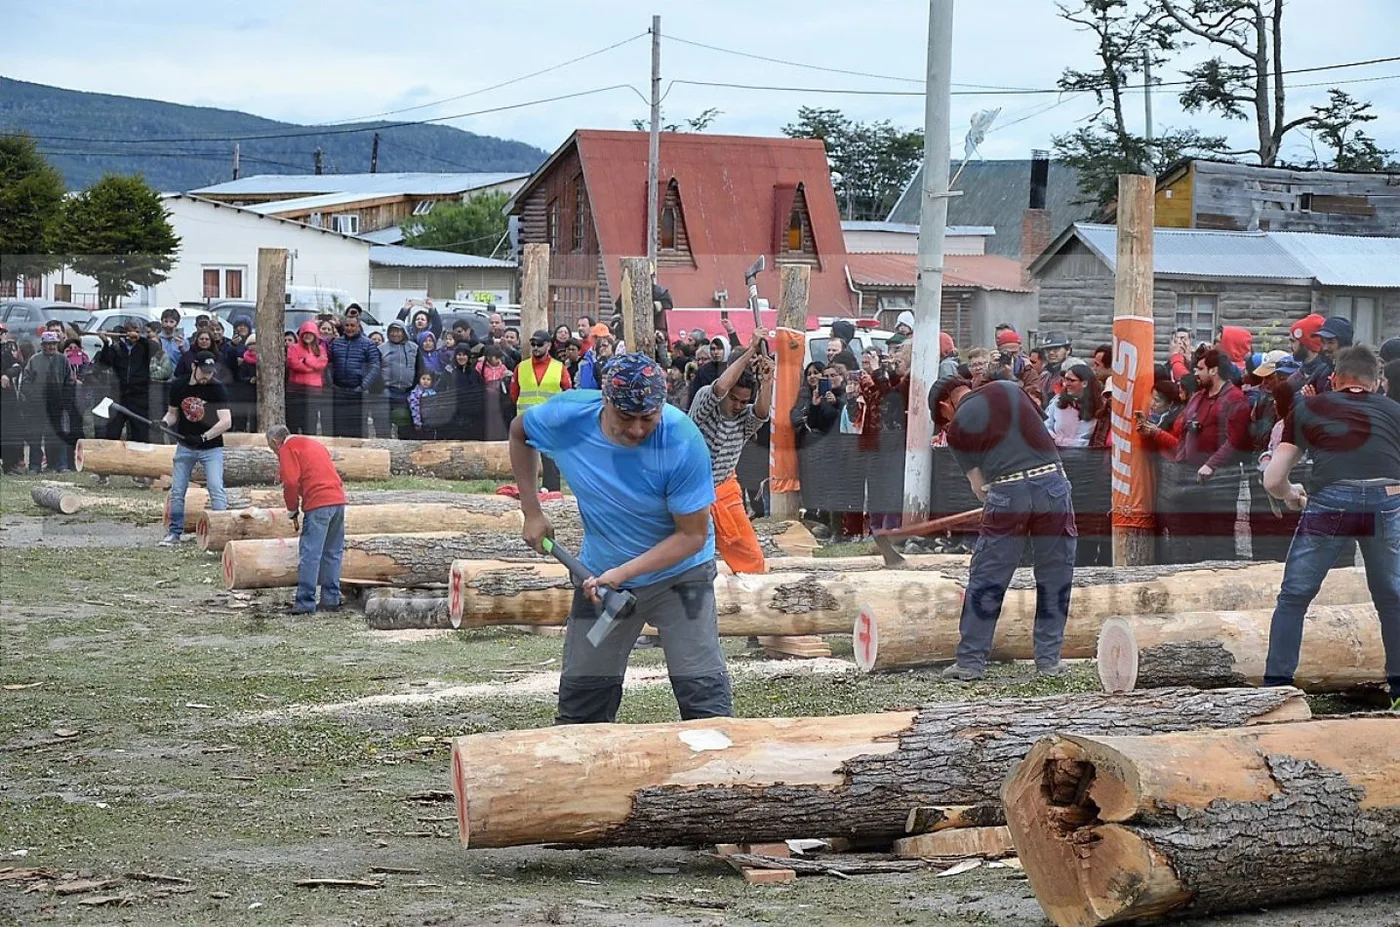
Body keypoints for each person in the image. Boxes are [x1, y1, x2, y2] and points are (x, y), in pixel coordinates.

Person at [510, 352, 729, 723]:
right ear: (605, 402)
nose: (638, 429)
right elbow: (520, 432)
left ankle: (719, 771)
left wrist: (624, 573)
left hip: (681, 578)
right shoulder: (568, 417)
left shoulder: (681, 441)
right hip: (601, 583)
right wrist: (532, 511)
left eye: (649, 417)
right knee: (584, 691)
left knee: (702, 689)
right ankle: (580, 771)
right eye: (626, 418)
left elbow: (691, 536)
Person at [1261, 346, 1400, 710]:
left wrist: (1292, 496)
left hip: (1331, 499)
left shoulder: (1308, 407)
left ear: (1335, 379)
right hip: (1389, 496)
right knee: (1392, 599)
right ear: (1377, 383)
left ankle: (1276, 687)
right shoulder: (1395, 412)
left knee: (1294, 596)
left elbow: (1274, 478)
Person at [929, 375, 1076, 680]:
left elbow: (979, 487)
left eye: (942, 419)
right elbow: (1039, 429)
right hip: (1052, 484)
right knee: (1054, 575)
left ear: (945, 406)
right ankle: (1048, 661)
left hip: (1008, 493)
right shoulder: (1010, 388)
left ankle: (970, 662)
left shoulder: (957, 429)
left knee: (988, 578)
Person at [1137, 348, 1250, 564]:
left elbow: (1234, 440)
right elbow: (1186, 431)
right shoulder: (1198, 397)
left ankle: (1222, 579)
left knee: (1219, 534)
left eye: (1200, 369)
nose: (1195, 373)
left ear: (1214, 370)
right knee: (1190, 530)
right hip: (1189, 473)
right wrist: (1181, 459)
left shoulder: (1234, 398)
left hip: (1219, 478)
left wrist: (1211, 464)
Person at [689, 330, 773, 574]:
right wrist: (749, 351)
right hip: (690, 490)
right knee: (684, 558)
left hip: (724, 490)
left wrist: (767, 382)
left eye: (743, 401)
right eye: (734, 399)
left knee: (751, 559)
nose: (738, 406)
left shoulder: (744, 418)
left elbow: (761, 412)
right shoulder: (705, 402)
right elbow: (721, 386)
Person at [267, 424, 347, 615]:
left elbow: (291, 482)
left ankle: (305, 602)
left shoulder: (287, 448)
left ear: (274, 442)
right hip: (337, 500)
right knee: (332, 553)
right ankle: (330, 600)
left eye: (272, 449)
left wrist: (292, 509)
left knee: (310, 554)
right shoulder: (314, 444)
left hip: (318, 503)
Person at [161, 352, 232, 546]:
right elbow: (172, 414)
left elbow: (226, 422)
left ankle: (221, 533)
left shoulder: (217, 388)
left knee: (216, 488)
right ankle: (174, 533)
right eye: (203, 372)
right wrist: (164, 423)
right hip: (185, 446)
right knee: (177, 490)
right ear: (194, 367)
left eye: (210, 373)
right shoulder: (178, 385)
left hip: (211, 447)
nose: (206, 376)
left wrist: (203, 437)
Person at [512, 330, 572, 493]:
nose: (536, 348)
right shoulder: (521, 367)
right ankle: (526, 491)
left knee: (550, 459)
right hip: (526, 420)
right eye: (533, 344)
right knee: (525, 459)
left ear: (549, 345)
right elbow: (514, 393)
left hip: (550, 421)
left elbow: (568, 393)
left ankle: (552, 491)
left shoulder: (559, 368)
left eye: (539, 344)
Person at [21, 332, 76, 472]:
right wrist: (33, 397)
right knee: (36, 436)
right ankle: (35, 466)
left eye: (53, 344)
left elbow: (70, 382)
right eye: (47, 344)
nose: (50, 347)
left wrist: (65, 400)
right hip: (38, 405)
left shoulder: (63, 360)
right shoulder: (34, 360)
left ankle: (61, 465)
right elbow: (26, 382)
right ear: (42, 345)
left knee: (59, 436)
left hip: (58, 405)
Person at [95, 323, 153, 443]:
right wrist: (106, 343)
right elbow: (104, 363)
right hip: (119, 396)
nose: (132, 334)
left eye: (136, 331)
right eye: (129, 331)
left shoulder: (145, 347)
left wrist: (140, 339)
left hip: (139, 396)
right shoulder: (117, 347)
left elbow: (155, 348)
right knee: (112, 433)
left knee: (141, 435)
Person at [328, 315, 381, 438]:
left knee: (357, 429)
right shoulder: (336, 343)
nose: (349, 328)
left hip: (358, 392)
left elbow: (374, 367)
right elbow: (328, 364)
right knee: (338, 427)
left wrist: (363, 386)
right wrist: (331, 382)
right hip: (339, 391)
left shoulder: (368, 344)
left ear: (358, 326)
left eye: (352, 325)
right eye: (347, 325)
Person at [286, 321, 329, 436]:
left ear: (315, 335)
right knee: (294, 421)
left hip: (314, 391)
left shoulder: (321, 349)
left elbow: (322, 364)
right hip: (296, 389)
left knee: (310, 422)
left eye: (311, 333)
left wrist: (306, 360)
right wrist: (313, 367)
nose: (308, 336)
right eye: (305, 333)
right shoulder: (293, 348)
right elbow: (294, 364)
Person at [1045, 364, 1103, 448]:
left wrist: (1070, 443)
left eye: (1071, 380)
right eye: (1065, 380)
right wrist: (1055, 439)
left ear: (1085, 383)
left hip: (1086, 456)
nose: (1066, 384)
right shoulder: (1057, 401)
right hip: (1057, 453)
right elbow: (1046, 426)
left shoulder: (1100, 407)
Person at [0, 326, 26, 473]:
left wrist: (7, 375)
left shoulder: (8, 349)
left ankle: (10, 464)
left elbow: (18, 366)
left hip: (6, 397)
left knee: (9, 430)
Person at [1036, 331, 1084, 409]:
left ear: (1068, 350)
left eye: (1056, 349)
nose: (1051, 352)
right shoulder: (1044, 376)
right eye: (1047, 349)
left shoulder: (1075, 369)